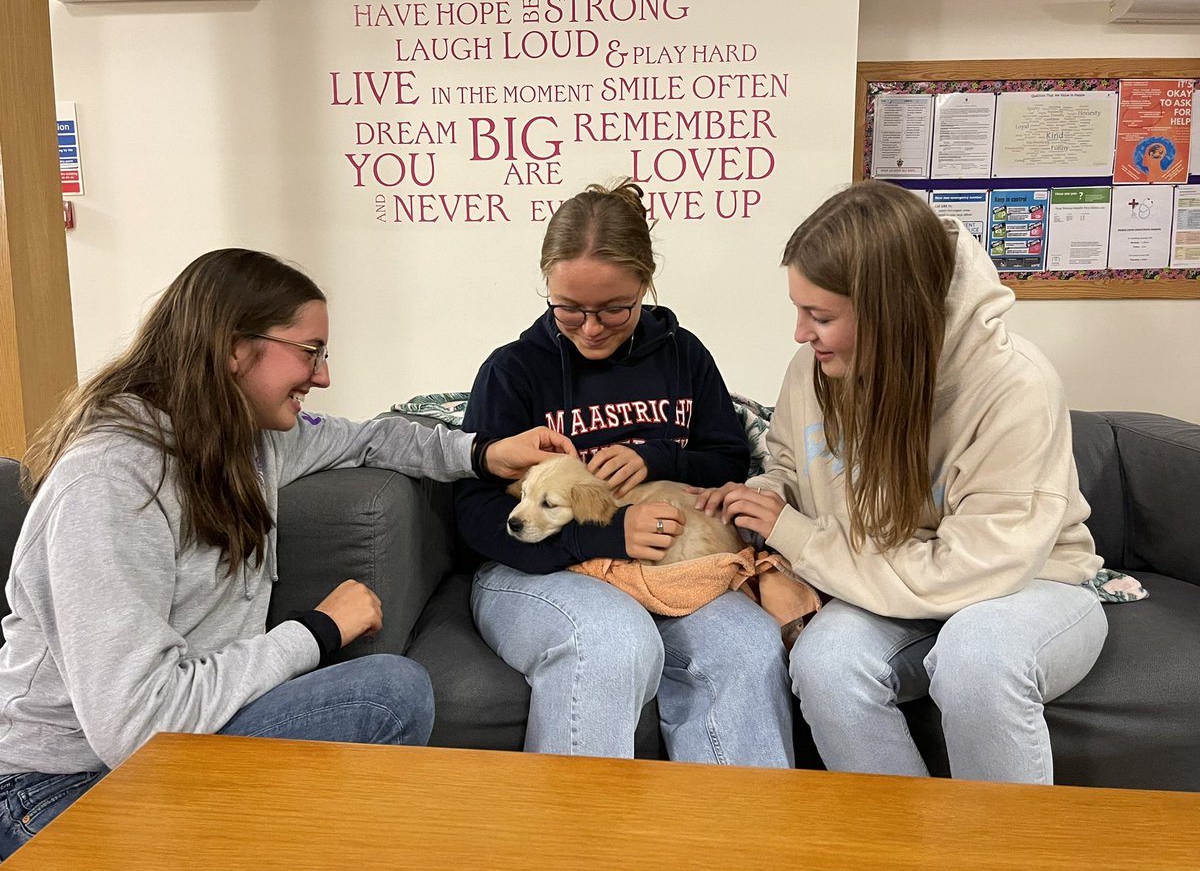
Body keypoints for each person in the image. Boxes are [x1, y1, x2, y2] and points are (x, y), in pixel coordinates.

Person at [0, 248, 573, 857]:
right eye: (310, 352)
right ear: (232, 348)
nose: (322, 376)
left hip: (183, 748)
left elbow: (374, 436)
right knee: (383, 694)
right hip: (61, 792)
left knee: (396, 697)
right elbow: (137, 724)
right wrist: (317, 632)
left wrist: (483, 454)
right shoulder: (112, 482)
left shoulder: (249, 442)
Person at [694, 179, 1108, 784]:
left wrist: (803, 541)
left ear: (893, 311)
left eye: (821, 315)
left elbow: (977, 571)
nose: (800, 334)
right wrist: (772, 494)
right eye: (798, 309)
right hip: (887, 580)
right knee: (827, 663)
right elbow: (789, 462)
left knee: (978, 659)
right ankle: (901, 848)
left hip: (1022, 585)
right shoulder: (815, 368)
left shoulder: (1015, 387)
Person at [455, 180, 793, 767]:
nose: (590, 328)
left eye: (615, 308)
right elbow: (477, 516)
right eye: (569, 310)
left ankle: (738, 844)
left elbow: (727, 461)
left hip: (670, 569)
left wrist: (659, 455)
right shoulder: (513, 372)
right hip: (538, 569)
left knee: (747, 643)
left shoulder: (683, 355)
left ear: (646, 283)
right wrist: (610, 535)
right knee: (610, 639)